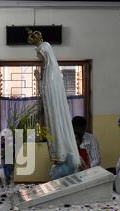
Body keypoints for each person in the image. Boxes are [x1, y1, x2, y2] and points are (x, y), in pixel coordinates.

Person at [29, 30, 80, 180]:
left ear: (45, 55)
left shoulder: (51, 75)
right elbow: (45, 94)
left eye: (39, 56)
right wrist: (39, 80)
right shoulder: (48, 74)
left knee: (57, 128)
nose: (38, 58)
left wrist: (40, 81)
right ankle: (59, 155)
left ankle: (61, 154)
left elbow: (47, 93)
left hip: (55, 112)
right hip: (51, 110)